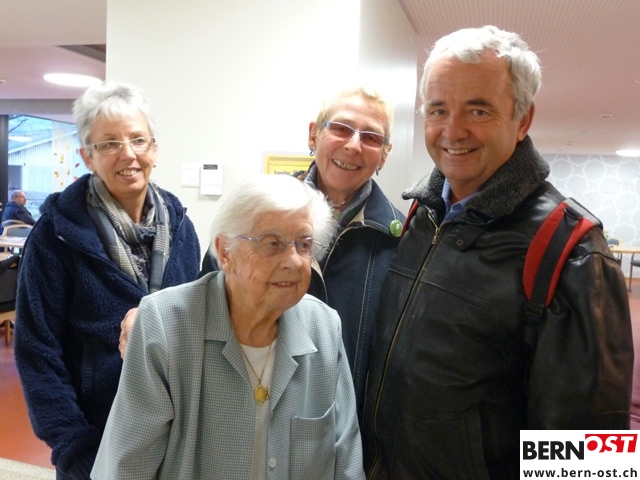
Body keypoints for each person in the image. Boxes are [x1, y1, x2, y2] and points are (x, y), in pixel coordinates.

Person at [362, 25, 634, 479]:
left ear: (523, 119)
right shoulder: (421, 215)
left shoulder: (573, 251)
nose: (453, 131)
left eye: (478, 109)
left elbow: (589, 461)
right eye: (438, 109)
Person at [123, 86, 406, 422]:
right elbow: (206, 299)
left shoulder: (401, 241)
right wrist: (155, 320)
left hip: (340, 420)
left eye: (371, 137)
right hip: (236, 406)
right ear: (313, 134)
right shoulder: (252, 211)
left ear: (384, 154)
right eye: (341, 129)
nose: (354, 145)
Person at [91, 174, 364, 479]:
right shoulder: (165, 324)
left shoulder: (323, 326)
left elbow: (346, 459)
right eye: (273, 244)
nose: (294, 261)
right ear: (225, 252)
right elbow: (127, 466)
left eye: (304, 244)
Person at [14, 81, 201, 479]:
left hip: (177, 439)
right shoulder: (56, 236)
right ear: (87, 156)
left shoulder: (181, 227)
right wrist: (74, 449)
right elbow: (37, 352)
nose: (128, 154)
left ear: (154, 149)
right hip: (96, 444)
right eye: (110, 143)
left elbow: (198, 323)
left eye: (138, 140)